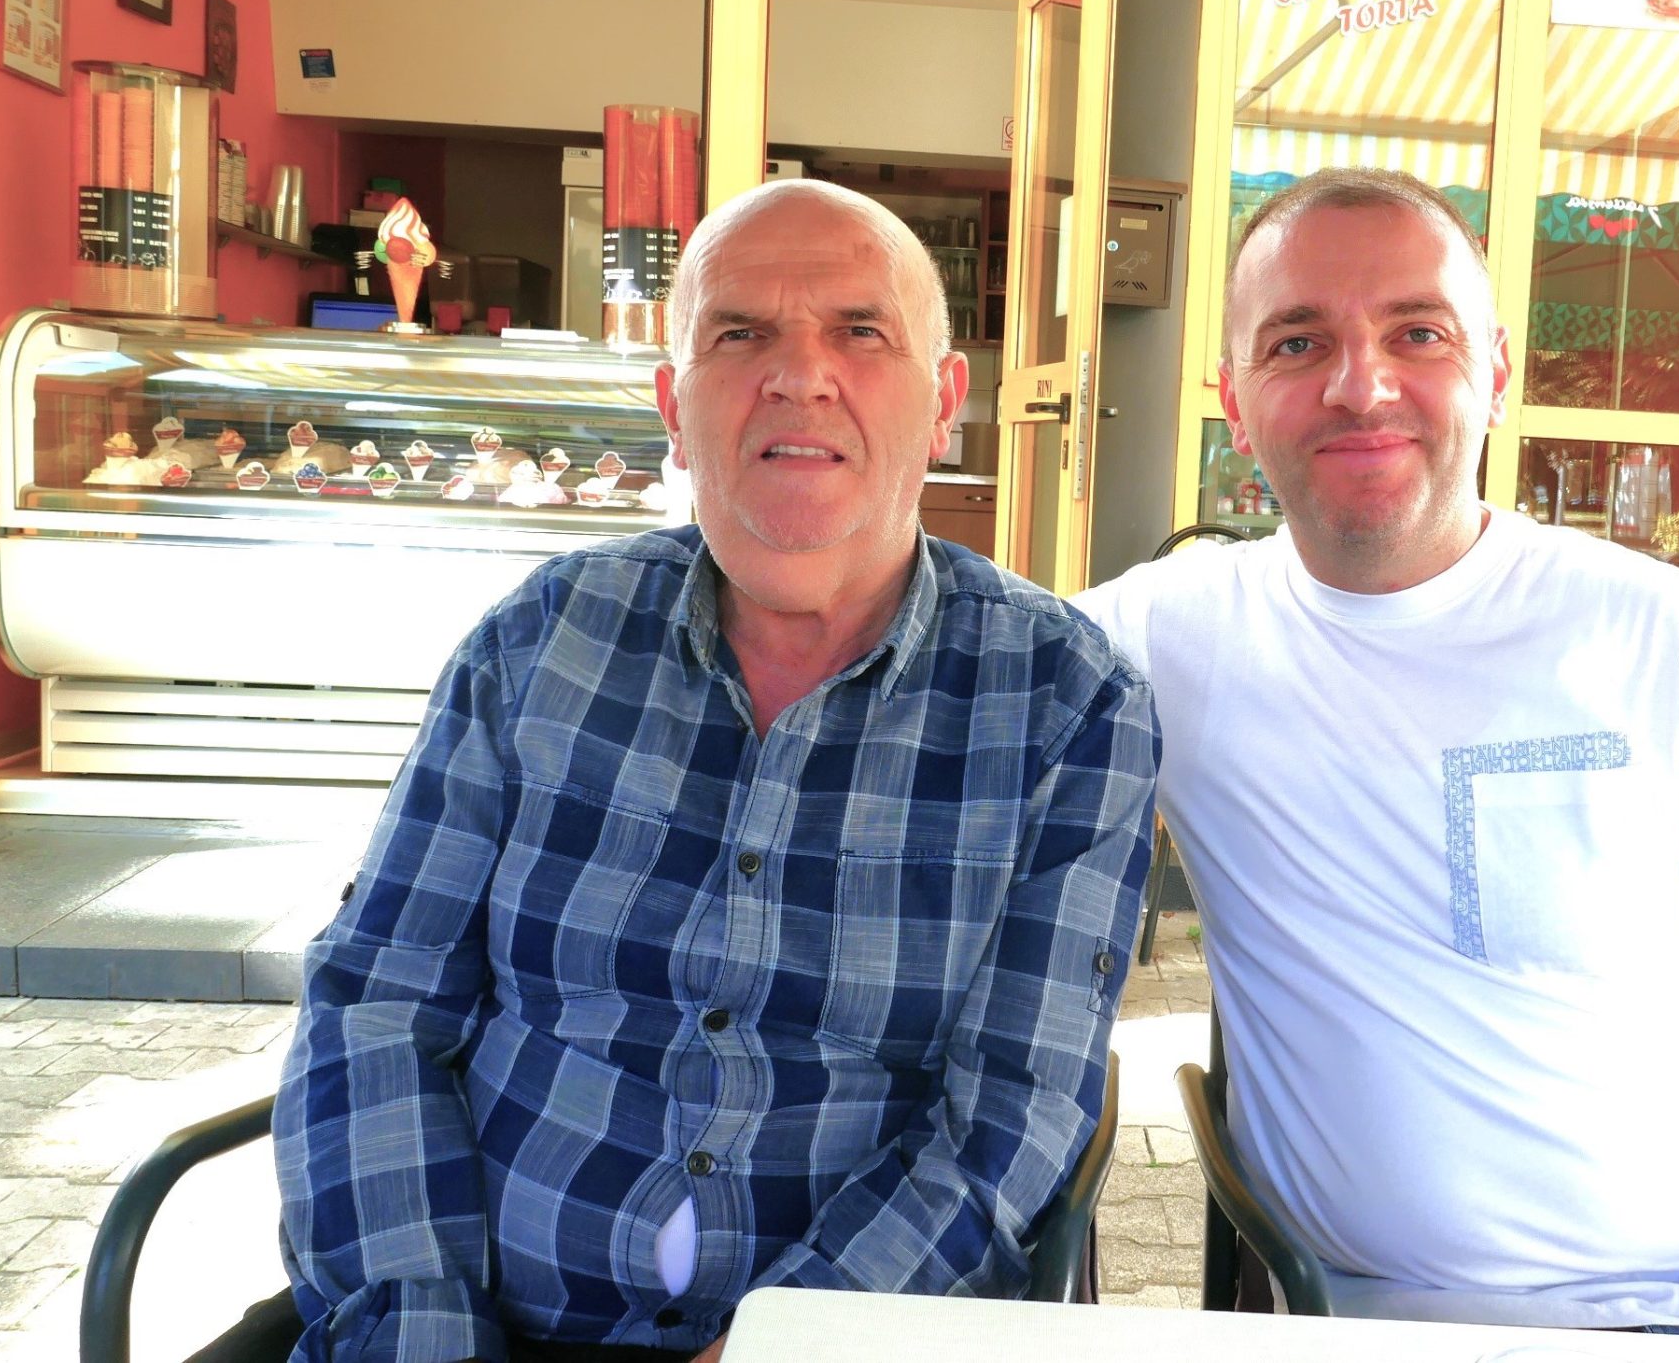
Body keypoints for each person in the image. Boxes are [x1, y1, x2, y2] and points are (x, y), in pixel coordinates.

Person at [275, 179, 1158, 1363]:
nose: (800, 374)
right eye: (740, 334)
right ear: (674, 409)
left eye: (861, 331)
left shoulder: (1065, 701)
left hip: (840, 1344)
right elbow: (377, 1005)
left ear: (946, 404)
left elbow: (1009, 1116)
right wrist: (421, 1331)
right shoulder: (542, 643)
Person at [1073, 167, 1679, 1332]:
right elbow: (939, 652)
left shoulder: (1670, 637)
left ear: (1494, 372)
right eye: (1297, 343)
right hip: (1364, 1327)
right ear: (1236, 400)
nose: (1360, 385)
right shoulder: (1165, 637)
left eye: (1417, 333)